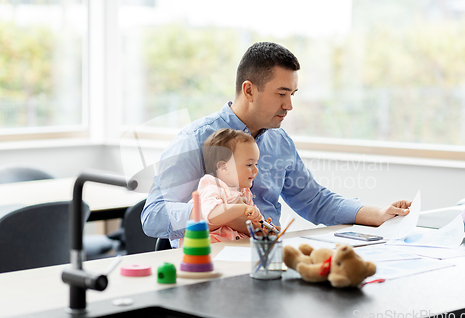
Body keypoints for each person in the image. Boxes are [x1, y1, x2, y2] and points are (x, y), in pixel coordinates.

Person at [141, 41, 412, 248]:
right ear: (248, 90)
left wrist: (375, 214)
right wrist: (220, 214)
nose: (289, 105)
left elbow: (315, 201)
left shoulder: (279, 140)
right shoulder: (196, 139)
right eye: (281, 94)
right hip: (212, 264)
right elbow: (153, 216)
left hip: (269, 257)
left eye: (292, 94)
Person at [189, 128, 274, 243]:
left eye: (256, 164)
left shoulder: (244, 191)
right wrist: (243, 209)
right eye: (249, 164)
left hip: (235, 248)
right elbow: (212, 215)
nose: (256, 170)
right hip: (210, 250)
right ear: (224, 168)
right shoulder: (212, 185)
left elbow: (251, 223)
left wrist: (265, 228)